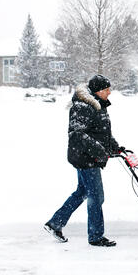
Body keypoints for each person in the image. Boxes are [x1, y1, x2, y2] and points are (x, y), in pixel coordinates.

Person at [44, 74, 123, 247]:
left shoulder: (97, 104)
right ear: (98, 91)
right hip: (85, 158)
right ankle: (95, 236)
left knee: (82, 192)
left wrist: (115, 147)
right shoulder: (83, 107)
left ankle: (55, 223)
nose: (110, 93)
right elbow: (78, 134)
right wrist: (100, 151)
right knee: (96, 196)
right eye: (107, 90)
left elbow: (102, 131)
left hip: (90, 156)